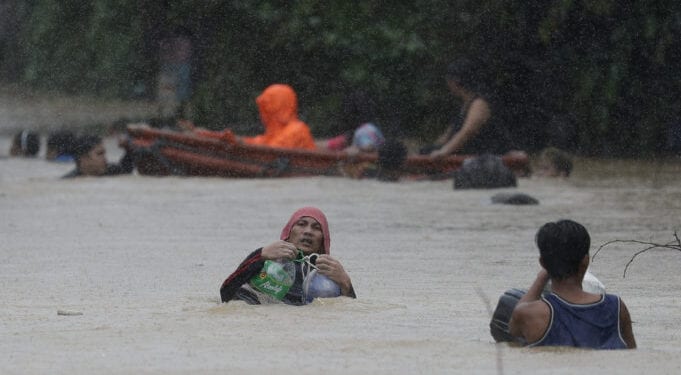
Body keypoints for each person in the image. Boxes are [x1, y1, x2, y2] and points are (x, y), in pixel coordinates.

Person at [508, 220, 636, 349]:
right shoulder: (616, 307)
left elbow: (513, 328)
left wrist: (541, 278)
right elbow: (632, 353)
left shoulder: (531, 314)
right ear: (585, 261)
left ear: (542, 263)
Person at [219, 207, 356, 305]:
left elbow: (349, 315)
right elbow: (225, 293)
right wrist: (260, 255)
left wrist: (346, 283)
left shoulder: (329, 275)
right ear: (288, 234)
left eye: (316, 228)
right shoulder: (266, 261)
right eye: (301, 224)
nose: (308, 231)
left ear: (323, 241)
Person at [181, 84, 316, 150]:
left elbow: (269, 152)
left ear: (276, 108)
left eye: (266, 109)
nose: (261, 114)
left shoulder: (297, 130)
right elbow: (257, 142)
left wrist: (237, 143)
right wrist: (211, 135)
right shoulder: (276, 132)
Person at [424, 58, 513, 158]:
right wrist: (433, 149)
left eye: (449, 80)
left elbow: (467, 133)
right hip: (469, 157)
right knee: (426, 151)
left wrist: (444, 151)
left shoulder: (479, 103)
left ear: (455, 81)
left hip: (487, 157)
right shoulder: (463, 105)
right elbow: (447, 136)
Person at [317, 90, 385, 154]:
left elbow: (368, 146)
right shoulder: (373, 128)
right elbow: (335, 143)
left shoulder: (361, 132)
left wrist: (356, 149)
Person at [62, 135, 134, 178]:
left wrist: (128, 150)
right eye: (100, 154)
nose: (105, 158)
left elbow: (127, 170)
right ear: (84, 159)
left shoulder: (110, 171)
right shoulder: (71, 180)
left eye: (104, 153)